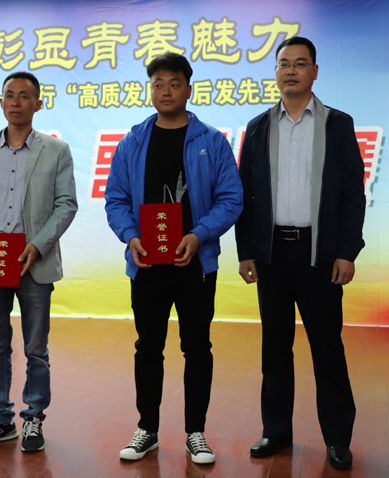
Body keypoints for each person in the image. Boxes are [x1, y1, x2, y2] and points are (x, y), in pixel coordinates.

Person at [104, 52, 242, 465]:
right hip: (147, 264)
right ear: (151, 90)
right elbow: (116, 200)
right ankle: (147, 429)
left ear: (188, 89)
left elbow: (231, 199)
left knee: (197, 347)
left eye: (174, 83)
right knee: (148, 347)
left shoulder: (211, 141)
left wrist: (199, 235)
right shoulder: (132, 142)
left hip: (194, 264)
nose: (166, 91)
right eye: (158, 84)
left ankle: (195, 432)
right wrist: (130, 236)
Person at [235, 37, 365, 470]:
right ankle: (275, 431)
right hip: (271, 254)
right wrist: (246, 250)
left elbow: (353, 194)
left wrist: (347, 251)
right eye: (283, 64)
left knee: (327, 348)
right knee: (275, 347)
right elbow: (245, 194)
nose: (290, 70)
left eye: (300, 63)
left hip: (319, 256)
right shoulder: (258, 127)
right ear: (275, 71)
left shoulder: (337, 125)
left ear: (314, 71)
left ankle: (337, 439)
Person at [0, 71, 78, 453]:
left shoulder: (56, 150)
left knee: (36, 350)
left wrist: (38, 246)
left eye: (24, 96)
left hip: (33, 263)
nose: (15, 101)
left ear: (38, 104)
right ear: (1, 103)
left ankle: (33, 419)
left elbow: (66, 204)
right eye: (9, 95)